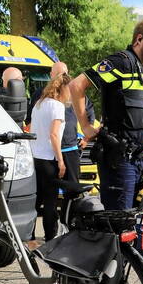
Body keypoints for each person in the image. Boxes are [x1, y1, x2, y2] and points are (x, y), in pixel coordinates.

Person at [71, 19, 143, 216]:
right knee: (119, 221)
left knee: (133, 220)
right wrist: (86, 126)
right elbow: (76, 85)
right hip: (119, 158)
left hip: (139, 159)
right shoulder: (120, 62)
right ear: (138, 40)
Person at [29, 72, 70, 243]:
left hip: (35, 156)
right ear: (64, 88)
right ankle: (50, 236)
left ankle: (29, 234)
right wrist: (60, 160)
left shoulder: (39, 103)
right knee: (50, 201)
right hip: (48, 158)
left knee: (36, 200)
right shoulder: (57, 107)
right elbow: (54, 135)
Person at [49, 61, 96, 189]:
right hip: (49, 151)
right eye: (57, 74)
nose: (60, 77)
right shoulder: (43, 94)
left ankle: (72, 209)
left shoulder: (75, 92)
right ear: (50, 75)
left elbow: (90, 112)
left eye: (63, 74)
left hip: (70, 148)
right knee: (50, 191)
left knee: (73, 189)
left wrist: (87, 137)